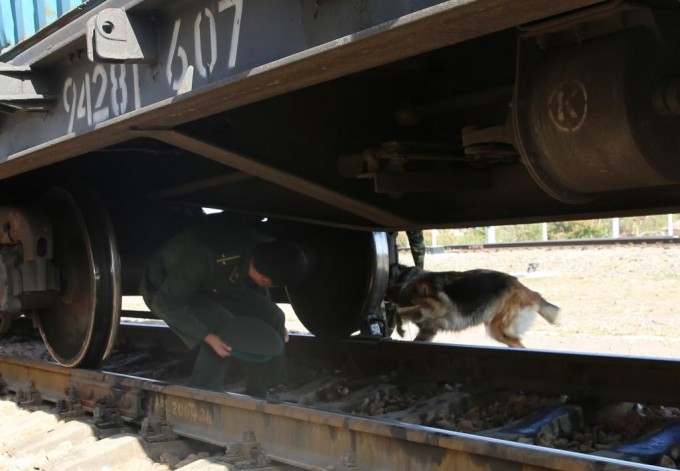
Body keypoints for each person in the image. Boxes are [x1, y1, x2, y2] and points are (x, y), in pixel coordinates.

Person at [139, 223, 307, 396]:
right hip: (166, 287)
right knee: (222, 327)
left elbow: (259, 292)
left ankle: (261, 388)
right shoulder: (207, 254)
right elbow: (164, 302)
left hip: (215, 284)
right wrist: (208, 336)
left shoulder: (267, 250)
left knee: (275, 316)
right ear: (264, 279)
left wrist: (270, 324)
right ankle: (204, 393)